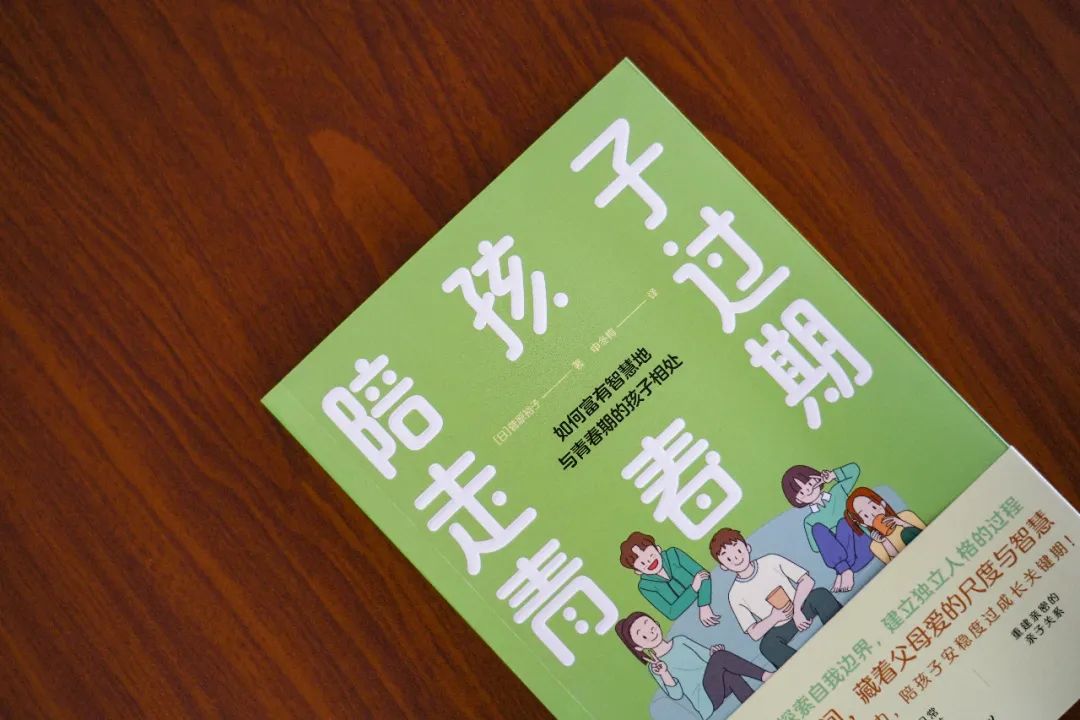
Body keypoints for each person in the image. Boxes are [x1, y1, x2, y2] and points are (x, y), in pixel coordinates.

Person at [710, 528, 841, 669]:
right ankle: (808, 670)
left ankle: (842, 634)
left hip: (801, 606)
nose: (736, 558)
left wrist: (797, 610)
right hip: (779, 626)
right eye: (728, 558)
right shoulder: (735, 594)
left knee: (820, 595)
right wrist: (774, 618)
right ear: (723, 566)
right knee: (767, 647)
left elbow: (807, 580)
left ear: (747, 548)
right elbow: (754, 633)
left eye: (738, 551)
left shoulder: (770, 561)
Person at [615, 611, 772, 717]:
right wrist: (664, 673)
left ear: (656, 623)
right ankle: (765, 676)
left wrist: (714, 652)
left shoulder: (680, 641)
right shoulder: (656, 667)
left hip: (719, 684)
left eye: (649, 625)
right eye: (642, 635)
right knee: (720, 659)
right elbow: (676, 695)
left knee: (731, 674)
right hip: (706, 700)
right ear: (639, 647)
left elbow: (708, 658)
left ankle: (762, 713)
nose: (650, 632)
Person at [780, 463, 875, 592]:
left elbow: (855, 470)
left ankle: (842, 571)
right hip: (849, 564)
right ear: (798, 500)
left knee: (843, 522)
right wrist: (830, 538)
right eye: (801, 492)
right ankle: (844, 570)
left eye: (809, 483)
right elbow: (816, 547)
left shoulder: (838, 491)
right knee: (817, 529)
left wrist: (833, 475)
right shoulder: (810, 521)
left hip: (864, 549)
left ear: (817, 478)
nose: (808, 490)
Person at [619, 531, 721, 626]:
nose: (649, 561)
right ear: (638, 571)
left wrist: (704, 605)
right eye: (642, 563)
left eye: (650, 555)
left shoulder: (673, 554)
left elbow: (704, 575)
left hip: (712, 597)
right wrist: (693, 588)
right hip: (688, 620)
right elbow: (671, 612)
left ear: (658, 549)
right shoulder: (645, 586)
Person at [844, 487, 925, 564]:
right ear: (863, 523)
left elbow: (926, 535)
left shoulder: (906, 516)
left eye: (874, 507)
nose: (874, 515)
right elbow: (898, 566)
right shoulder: (875, 546)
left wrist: (903, 524)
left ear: (882, 503)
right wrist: (885, 542)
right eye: (866, 516)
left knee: (906, 533)